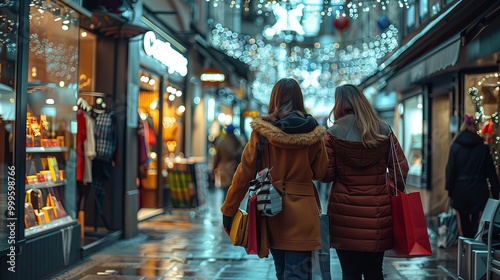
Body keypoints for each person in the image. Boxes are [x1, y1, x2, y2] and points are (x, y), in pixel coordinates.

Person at [220, 78, 329, 279]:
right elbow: (321, 172)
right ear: (299, 98)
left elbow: (244, 173)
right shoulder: (315, 133)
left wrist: (229, 209)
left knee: (282, 272)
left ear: (274, 99)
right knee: (298, 275)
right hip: (304, 214)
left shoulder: (262, 132)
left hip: (272, 210)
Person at [320, 84, 409, 279]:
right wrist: (390, 190)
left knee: (349, 273)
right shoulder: (383, 131)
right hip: (378, 214)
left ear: (339, 104)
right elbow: (401, 169)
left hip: (344, 216)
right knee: (374, 272)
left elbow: (325, 175)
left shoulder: (331, 134)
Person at [445, 114, 500, 238]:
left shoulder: (455, 146)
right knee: (477, 221)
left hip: (460, 190)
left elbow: (450, 170)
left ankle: (466, 247)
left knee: (463, 221)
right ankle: (473, 246)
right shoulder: (483, 147)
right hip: (479, 190)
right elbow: (490, 172)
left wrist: (449, 191)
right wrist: (496, 193)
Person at [211, 124, 243, 202]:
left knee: (225, 190)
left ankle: (225, 208)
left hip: (223, 169)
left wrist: (213, 170)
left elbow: (216, 157)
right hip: (233, 168)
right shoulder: (238, 141)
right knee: (233, 190)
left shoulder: (220, 142)